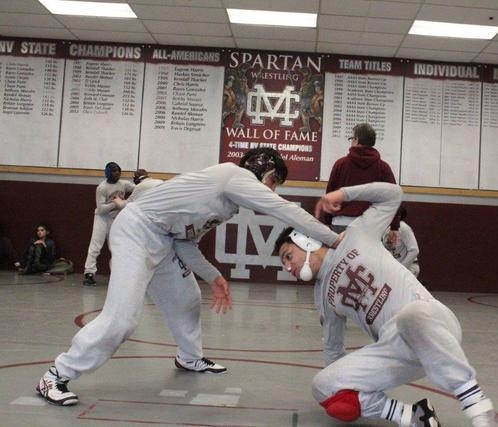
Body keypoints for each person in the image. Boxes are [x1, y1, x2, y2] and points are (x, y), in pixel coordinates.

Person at [36, 148, 340, 407]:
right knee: (122, 319)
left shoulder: (227, 203)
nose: (272, 191)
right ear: (261, 170)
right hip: (136, 232)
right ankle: (55, 376)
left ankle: (189, 357)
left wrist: (213, 276)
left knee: (187, 299)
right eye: (274, 181)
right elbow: (286, 212)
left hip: (164, 240)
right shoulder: (235, 176)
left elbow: (184, 242)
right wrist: (336, 241)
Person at [275, 182, 498, 427]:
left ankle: (479, 408)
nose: (289, 267)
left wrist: (344, 194)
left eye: (288, 256)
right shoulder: (323, 297)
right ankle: (411, 416)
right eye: (284, 263)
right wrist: (341, 386)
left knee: (410, 317)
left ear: (306, 240)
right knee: (322, 385)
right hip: (396, 352)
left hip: (431, 322)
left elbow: (392, 195)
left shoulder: (356, 234)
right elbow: (333, 350)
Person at [322, 123, 400, 245]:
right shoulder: (383, 168)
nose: (351, 141)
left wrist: (326, 221)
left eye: (352, 138)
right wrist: (395, 227)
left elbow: (330, 194)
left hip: (341, 224)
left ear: (357, 140)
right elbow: (393, 197)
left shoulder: (340, 165)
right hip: (371, 226)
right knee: (366, 264)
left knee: (341, 262)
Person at [82, 161, 135, 286]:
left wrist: (141, 182)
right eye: (114, 171)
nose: (117, 173)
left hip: (115, 219)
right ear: (108, 173)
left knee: (116, 247)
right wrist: (116, 203)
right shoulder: (102, 188)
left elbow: (137, 189)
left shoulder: (124, 184)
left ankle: (116, 273)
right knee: (95, 246)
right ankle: (89, 273)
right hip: (101, 219)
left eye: (118, 170)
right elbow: (100, 209)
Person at [383, 204, 420, 278]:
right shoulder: (387, 228)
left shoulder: (403, 227)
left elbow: (414, 250)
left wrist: (402, 268)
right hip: (395, 268)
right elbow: (388, 248)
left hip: (409, 268)